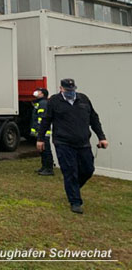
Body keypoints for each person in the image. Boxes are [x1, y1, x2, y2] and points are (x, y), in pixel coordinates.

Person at [37, 79, 108, 214]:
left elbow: (94, 119)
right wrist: (40, 139)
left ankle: (73, 188)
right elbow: (46, 120)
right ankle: (75, 201)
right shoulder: (54, 101)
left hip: (83, 142)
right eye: (67, 90)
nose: (70, 92)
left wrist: (101, 137)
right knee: (70, 171)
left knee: (88, 169)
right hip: (63, 142)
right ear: (61, 89)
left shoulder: (83, 99)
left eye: (72, 90)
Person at [30, 88, 54, 176]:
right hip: (41, 131)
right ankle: (44, 167)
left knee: (46, 150)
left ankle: (49, 169)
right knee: (42, 150)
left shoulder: (43, 103)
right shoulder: (39, 103)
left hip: (44, 132)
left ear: (43, 94)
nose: (36, 92)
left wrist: (40, 130)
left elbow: (42, 118)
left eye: (39, 91)